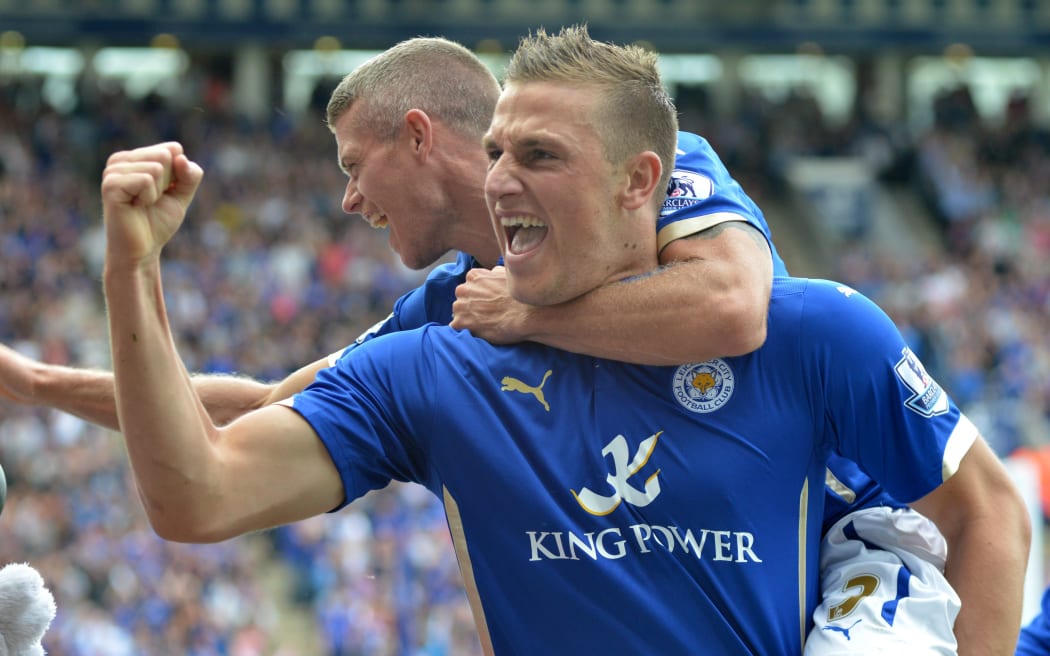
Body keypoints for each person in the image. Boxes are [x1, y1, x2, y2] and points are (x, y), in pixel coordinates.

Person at [0, 31, 1022, 653]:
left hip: (857, 563)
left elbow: (735, 309)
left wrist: (528, 319)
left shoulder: (762, 277)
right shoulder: (442, 338)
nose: (347, 198)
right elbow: (235, 440)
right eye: (497, 152)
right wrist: (55, 362)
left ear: (640, 181)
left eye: (538, 154)